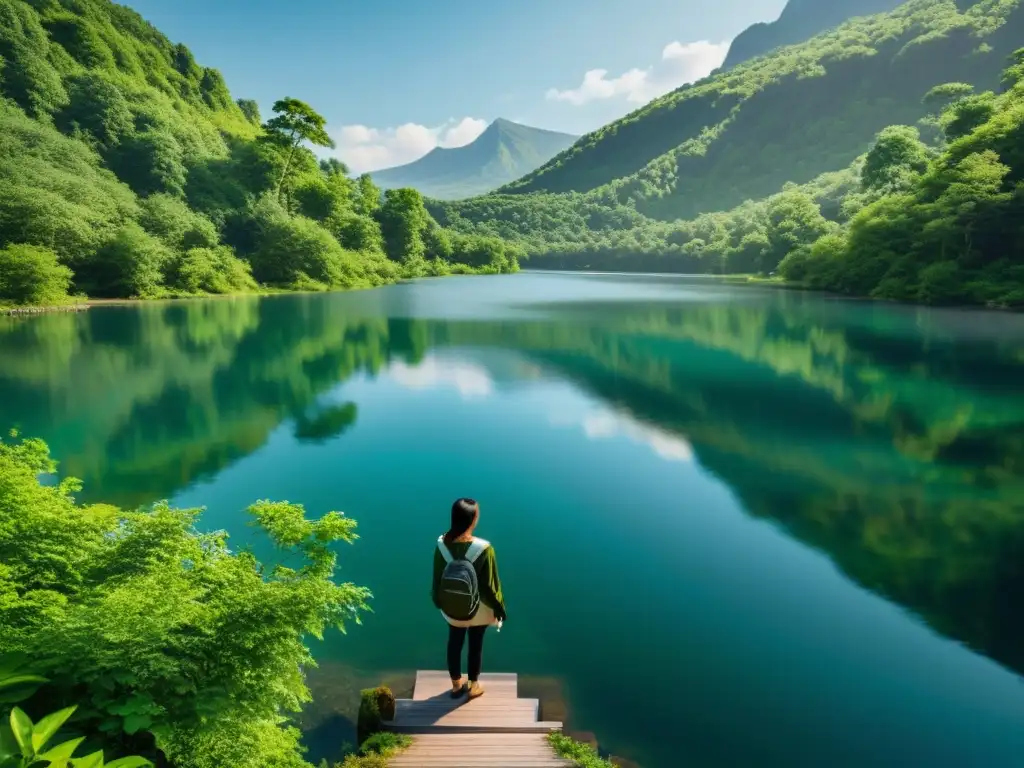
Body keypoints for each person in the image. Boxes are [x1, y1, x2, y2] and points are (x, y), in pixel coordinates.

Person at [432, 497, 506, 699]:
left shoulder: (441, 545)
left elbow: (437, 577)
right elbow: (491, 586)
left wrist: (439, 602)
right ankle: (474, 686)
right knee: (476, 645)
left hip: (452, 606)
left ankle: (456, 685)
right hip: (479, 610)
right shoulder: (485, 548)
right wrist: (500, 609)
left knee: (454, 642)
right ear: (472, 519)